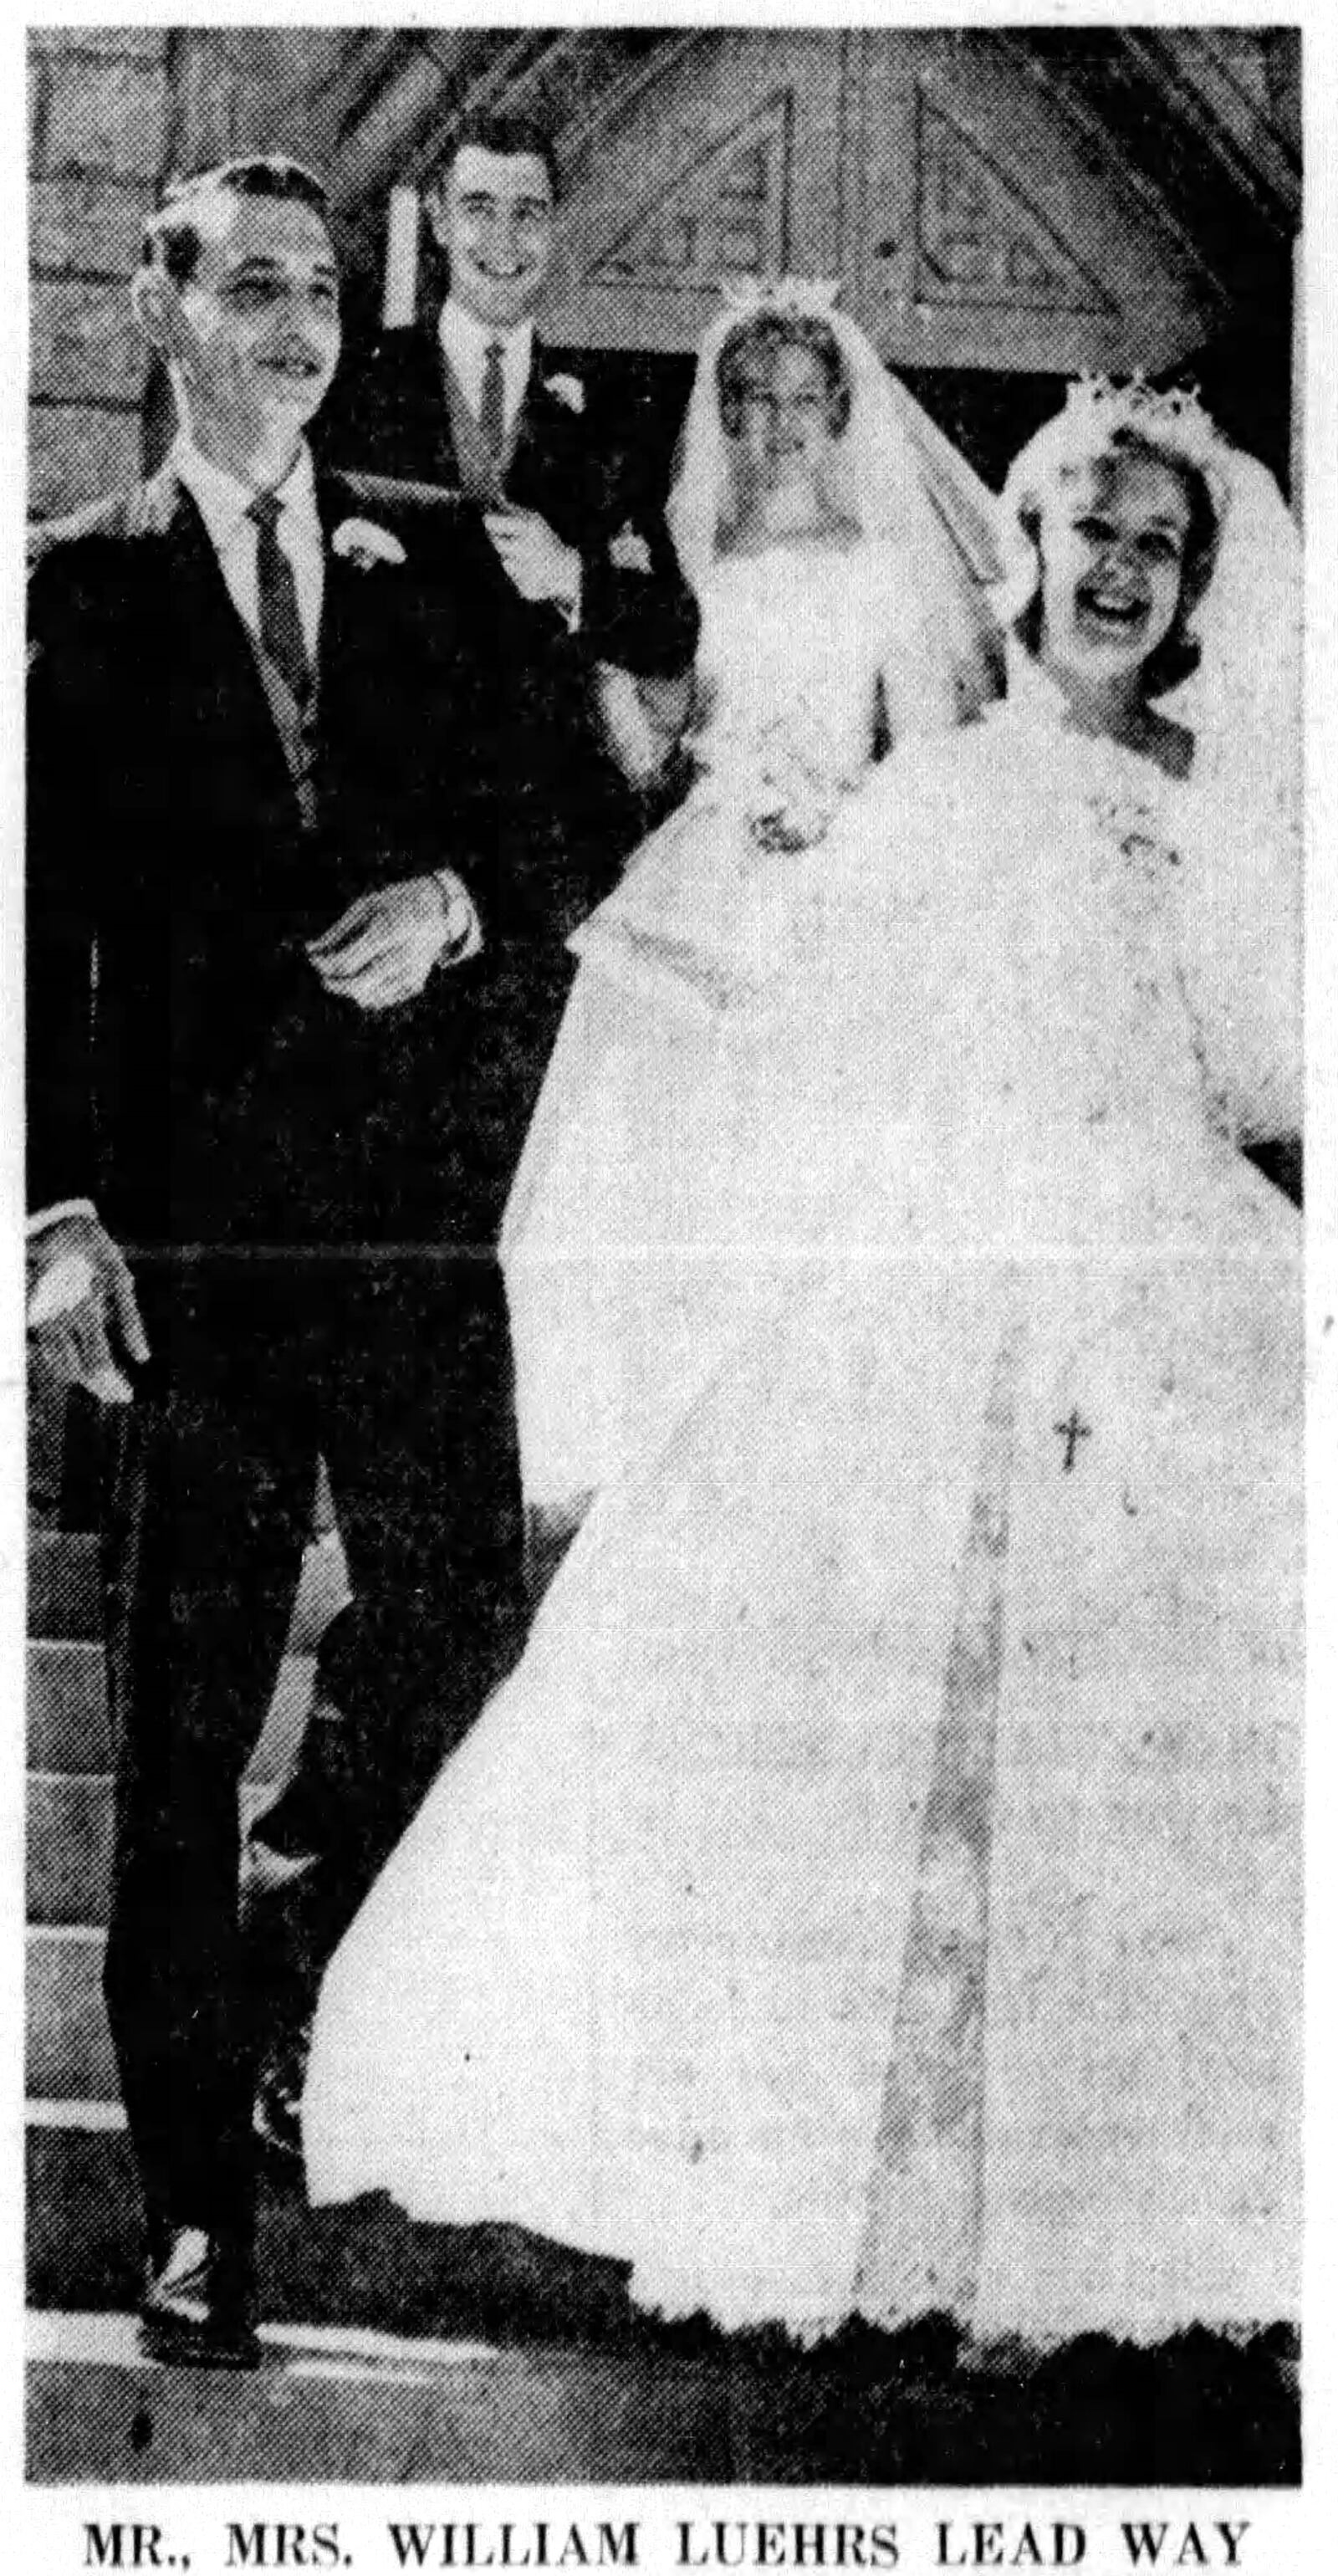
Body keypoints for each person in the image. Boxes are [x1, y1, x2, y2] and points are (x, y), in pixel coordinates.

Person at [302, 374, 1301, 2346]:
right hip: (938, 1266)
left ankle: (1124, 2218)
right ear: (1025, 544)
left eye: (1153, 547)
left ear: (1191, 583)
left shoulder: (1220, 801)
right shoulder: (936, 781)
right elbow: (824, 1046)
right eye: (1088, 532)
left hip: (1159, 1273)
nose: (1114, 572)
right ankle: (874, 2203)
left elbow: (1262, 1063)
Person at [26, 157, 533, 2367]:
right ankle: (192, 2226)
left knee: (465, 1618)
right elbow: (31, 925)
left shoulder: (433, 551)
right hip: (195, 1252)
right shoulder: (78, 580)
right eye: (251, 287)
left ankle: (289, 1916)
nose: (299, 324)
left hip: (412, 1234)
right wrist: (50, 1214)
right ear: (161, 314)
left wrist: (460, 903)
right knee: (173, 1737)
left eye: (321, 288)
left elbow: (576, 820)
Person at [500, 284, 1004, 1547]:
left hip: (838, 882)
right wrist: (613, 668)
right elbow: (649, 748)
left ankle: (787, 1497)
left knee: (804, 1188)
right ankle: (649, 1492)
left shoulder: (883, 567)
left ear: (840, 414)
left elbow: (926, 756)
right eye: (754, 400)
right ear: (722, 412)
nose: (779, 424)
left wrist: (838, 811)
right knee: (651, 1181)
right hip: (698, 874)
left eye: (803, 402)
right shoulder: (691, 552)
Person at [324, 110, 700, 1177]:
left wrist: (575, 579)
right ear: (440, 221)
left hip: (539, 865)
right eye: (479, 209)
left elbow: (674, 626)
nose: (503, 238)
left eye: (527, 213)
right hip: (383, 841)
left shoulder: (613, 412)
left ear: (554, 227)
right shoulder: (359, 381)